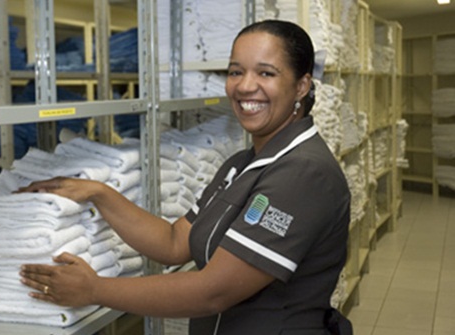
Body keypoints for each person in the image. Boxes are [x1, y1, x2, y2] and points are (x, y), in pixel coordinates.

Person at [18, 19, 353, 335]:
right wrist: (98, 192)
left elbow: (213, 292)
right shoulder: (243, 164)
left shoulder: (304, 173)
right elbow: (174, 242)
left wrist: (94, 289)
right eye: (236, 71)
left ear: (301, 85)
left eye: (266, 73)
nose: (245, 86)